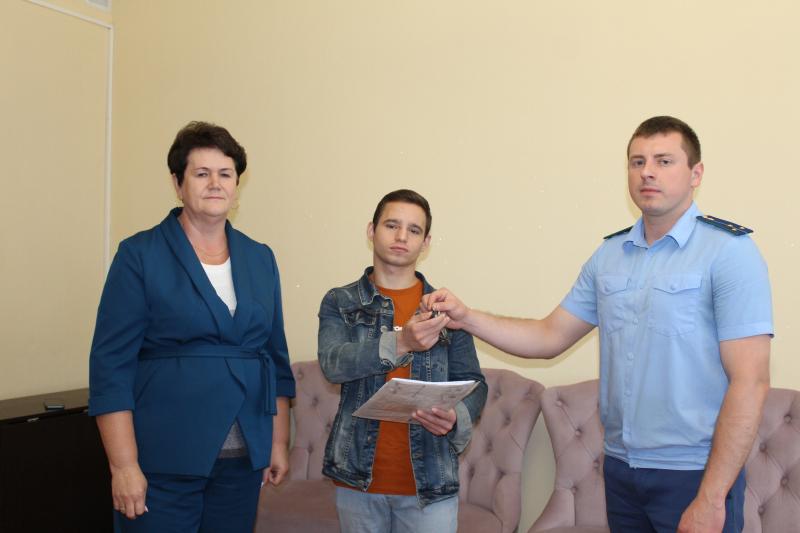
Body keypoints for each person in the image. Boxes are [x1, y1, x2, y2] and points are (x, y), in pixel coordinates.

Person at [423, 116, 772, 533]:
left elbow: (750, 382)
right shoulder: (609, 256)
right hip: (622, 470)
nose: (647, 172)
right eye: (637, 162)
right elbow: (549, 336)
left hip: (693, 473)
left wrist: (712, 498)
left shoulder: (729, 253)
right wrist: (467, 317)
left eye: (663, 161)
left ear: (695, 174)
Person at [88, 121, 295, 532]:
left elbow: (275, 358)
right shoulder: (140, 254)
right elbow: (110, 367)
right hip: (163, 457)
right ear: (177, 183)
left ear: (237, 185)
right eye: (202, 173)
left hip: (242, 459)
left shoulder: (260, 257)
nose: (215, 184)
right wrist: (123, 466)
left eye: (225, 174)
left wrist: (276, 442)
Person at [318, 189, 487, 533]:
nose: (401, 237)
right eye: (391, 225)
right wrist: (401, 342)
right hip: (357, 480)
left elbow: (475, 383)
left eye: (413, 230)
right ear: (371, 230)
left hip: (431, 482)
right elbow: (333, 364)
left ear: (425, 243)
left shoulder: (445, 309)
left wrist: (456, 416)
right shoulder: (340, 301)